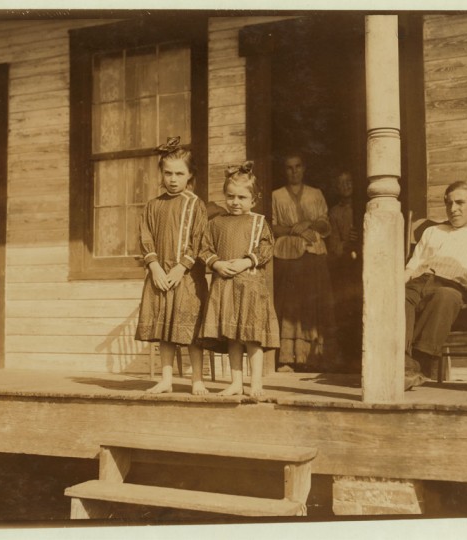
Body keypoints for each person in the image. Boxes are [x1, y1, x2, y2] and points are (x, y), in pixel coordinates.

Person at [404, 181, 467, 388]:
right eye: (449, 203)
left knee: (445, 297)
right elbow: (413, 265)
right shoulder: (432, 231)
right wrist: (396, 284)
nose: (453, 209)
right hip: (420, 280)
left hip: (452, 286)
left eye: (460, 203)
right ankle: (402, 361)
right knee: (398, 297)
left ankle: (419, 363)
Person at [136, 136, 209, 395]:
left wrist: (182, 267)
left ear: (190, 175)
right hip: (160, 274)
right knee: (165, 328)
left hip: (186, 276)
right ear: (161, 174)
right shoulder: (153, 205)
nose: (173, 179)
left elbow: (200, 238)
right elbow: (145, 236)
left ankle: (197, 379)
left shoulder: (195, 205)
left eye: (180, 173)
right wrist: (155, 267)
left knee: (190, 329)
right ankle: (166, 379)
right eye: (168, 173)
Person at [199, 161, 280, 397]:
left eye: (242, 198)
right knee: (232, 336)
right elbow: (204, 248)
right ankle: (236, 382)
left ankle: (255, 383)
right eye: (231, 197)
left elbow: (266, 249)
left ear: (253, 200)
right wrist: (217, 263)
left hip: (250, 286)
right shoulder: (216, 223)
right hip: (224, 285)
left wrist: (247, 261)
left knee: (252, 337)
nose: (235, 202)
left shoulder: (258, 222)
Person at [271, 151, 336, 372]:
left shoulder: (316, 194)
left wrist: (308, 224)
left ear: (304, 168)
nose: (294, 171)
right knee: (290, 306)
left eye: (297, 166)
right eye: (289, 168)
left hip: (313, 254)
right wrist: (293, 229)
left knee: (313, 305)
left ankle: (313, 360)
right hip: (288, 256)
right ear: (284, 171)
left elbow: (325, 225)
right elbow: (273, 227)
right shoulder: (277, 195)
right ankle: (287, 359)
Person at [327, 170, 362, 372]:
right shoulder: (334, 212)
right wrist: (347, 242)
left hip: (366, 264)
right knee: (347, 309)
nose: (346, 186)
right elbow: (334, 247)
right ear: (336, 188)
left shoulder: (364, 206)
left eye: (349, 181)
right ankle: (349, 357)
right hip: (346, 267)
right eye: (341, 183)